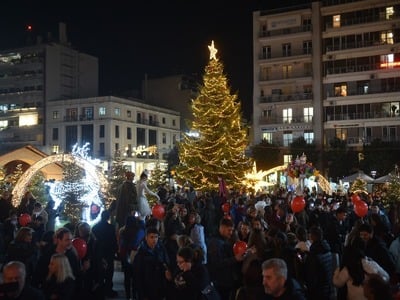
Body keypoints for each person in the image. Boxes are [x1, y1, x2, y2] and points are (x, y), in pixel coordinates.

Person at [207, 217, 245, 300]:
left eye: (232, 230)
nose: (231, 233)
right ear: (222, 228)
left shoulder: (223, 240)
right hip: (220, 281)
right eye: (229, 230)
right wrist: (235, 259)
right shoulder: (215, 243)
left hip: (225, 280)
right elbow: (217, 263)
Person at [132, 226, 172, 300]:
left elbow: (167, 263)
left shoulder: (161, 249)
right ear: (146, 238)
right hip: (147, 288)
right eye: (152, 237)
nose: (154, 240)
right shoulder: (141, 253)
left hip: (160, 287)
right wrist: (142, 294)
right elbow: (137, 276)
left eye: (156, 237)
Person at [91, 210, 119, 298]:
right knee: (109, 272)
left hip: (99, 252)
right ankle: (108, 290)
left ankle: (100, 290)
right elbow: (114, 240)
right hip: (109, 252)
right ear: (108, 217)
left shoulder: (95, 227)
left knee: (100, 272)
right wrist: (115, 250)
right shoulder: (111, 227)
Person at [118, 215, 146, 300]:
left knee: (127, 278)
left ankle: (128, 296)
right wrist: (141, 220)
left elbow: (122, 245)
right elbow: (143, 230)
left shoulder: (123, 232)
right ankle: (134, 295)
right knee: (135, 278)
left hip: (126, 257)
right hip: (136, 257)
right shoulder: (139, 231)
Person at [303, 226, 334, 300]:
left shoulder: (314, 255)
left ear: (312, 236)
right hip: (327, 289)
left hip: (317, 292)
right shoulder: (327, 250)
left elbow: (311, 277)